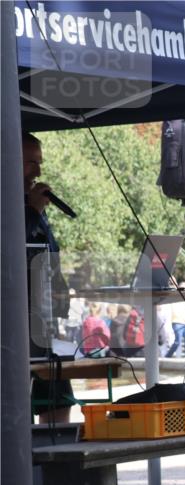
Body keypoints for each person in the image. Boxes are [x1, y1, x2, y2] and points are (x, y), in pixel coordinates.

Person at [24, 132, 75, 422]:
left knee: (57, 399)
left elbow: (45, 253)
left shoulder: (32, 205)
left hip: (41, 320)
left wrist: (60, 294)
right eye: (30, 162)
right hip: (13, 321)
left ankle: (52, 463)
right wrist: (32, 209)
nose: (39, 171)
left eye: (39, 162)